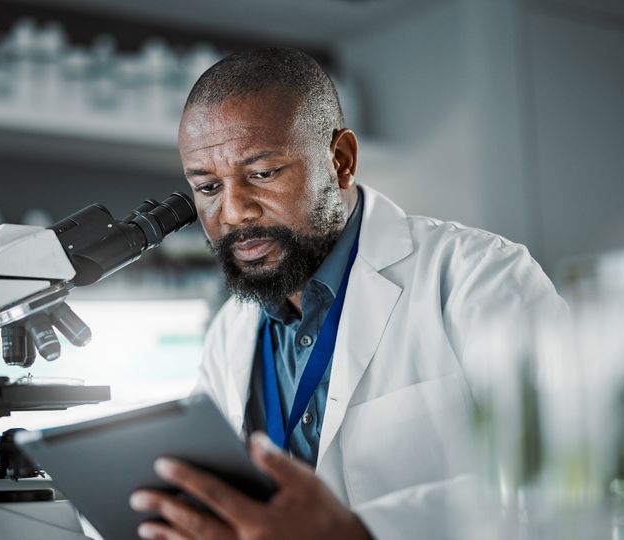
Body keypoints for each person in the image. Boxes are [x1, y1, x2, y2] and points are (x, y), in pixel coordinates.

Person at [129, 47, 565, 540]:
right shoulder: (231, 329)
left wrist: (355, 532)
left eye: (262, 174)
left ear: (341, 161)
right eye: (208, 187)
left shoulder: (477, 275)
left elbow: (568, 469)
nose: (233, 212)